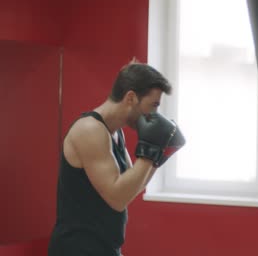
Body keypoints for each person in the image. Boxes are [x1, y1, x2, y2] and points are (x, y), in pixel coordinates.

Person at [48, 59, 185, 256]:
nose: (155, 114)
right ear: (131, 97)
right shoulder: (90, 129)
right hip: (77, 249)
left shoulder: (115, 133)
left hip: (103, 248)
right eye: (153, 105)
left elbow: (130, 189)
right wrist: (150, 152)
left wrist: (159, 156)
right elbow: (117, 199)